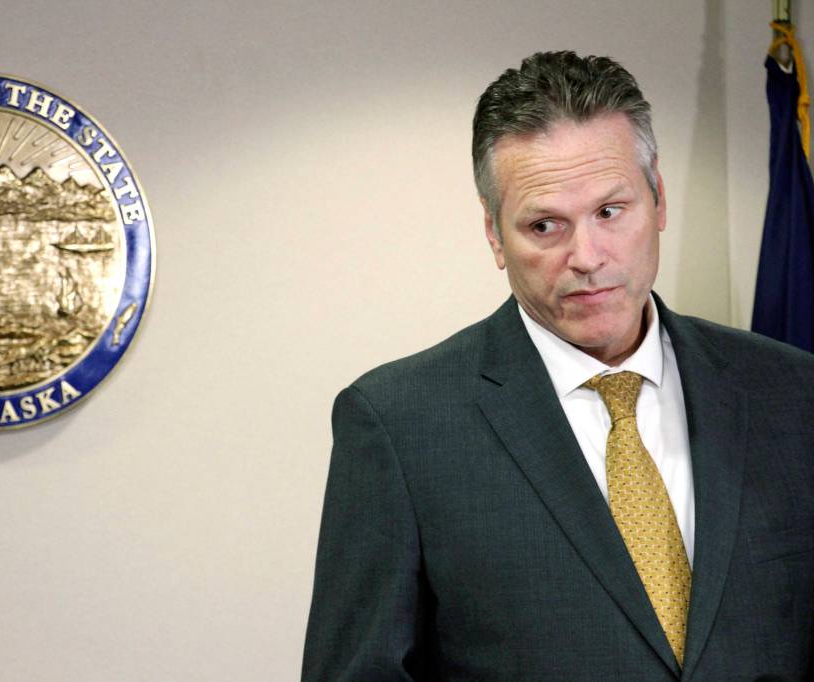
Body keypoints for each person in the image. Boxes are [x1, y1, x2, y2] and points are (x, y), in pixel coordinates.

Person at [302, 51, 814, 681]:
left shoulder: (793, 393)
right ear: (494, 235)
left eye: (609, 211)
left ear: (658, 201)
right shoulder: (399, 425)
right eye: (545, 224)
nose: (587, 256)